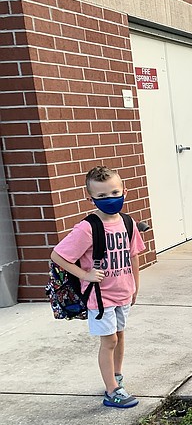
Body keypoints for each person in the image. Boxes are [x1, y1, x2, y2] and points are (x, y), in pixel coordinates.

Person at [51, 166, 146, 408]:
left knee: (120, 336)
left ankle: (116, 375)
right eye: (102, 196)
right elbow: (59, 256)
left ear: (125, 190)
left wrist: (135, 286)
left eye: (114, 192)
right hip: (99, 297)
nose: (110, 199)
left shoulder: (128, 223)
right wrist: (85, 274)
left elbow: (133, 255)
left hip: (123, 292)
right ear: (90, 198)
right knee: (109, 340)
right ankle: (112, 390)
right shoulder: (87, 228)